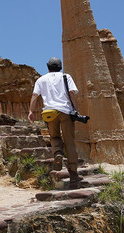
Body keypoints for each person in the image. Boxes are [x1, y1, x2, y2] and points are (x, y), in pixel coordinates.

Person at [27, 57, 82, 188]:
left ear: (48, 67)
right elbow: (72, 93)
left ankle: (57, 153)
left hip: (49, 113)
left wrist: (31, 111)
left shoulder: (41, 79)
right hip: (65, 111)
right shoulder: (66, 77)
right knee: (69, 141)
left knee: (54, 137)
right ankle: (73, 175)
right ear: (60, 67)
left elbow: (35, 96)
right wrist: (77, 109)